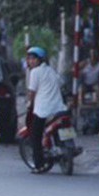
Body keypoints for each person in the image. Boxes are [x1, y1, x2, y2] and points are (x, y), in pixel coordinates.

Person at [25, 46, 67, 174]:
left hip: (43, 109)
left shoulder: (35, 72)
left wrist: (29, 103)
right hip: (59, 108)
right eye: (29, 59)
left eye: (33, 59)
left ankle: (39, 165)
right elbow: (61, 83)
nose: (31, 61)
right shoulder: (51, 70)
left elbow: (32, 92)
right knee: (55, 130)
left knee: (35, 136)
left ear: (40, 60)